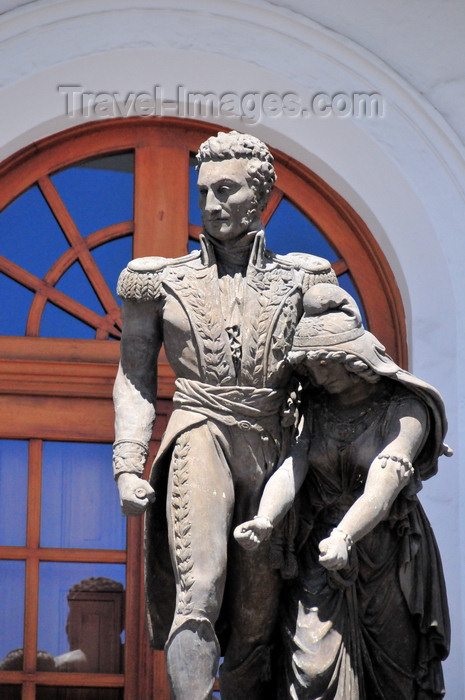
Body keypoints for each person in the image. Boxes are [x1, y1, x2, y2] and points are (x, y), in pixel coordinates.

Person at [112, 131, 337, 699]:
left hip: (273, 443)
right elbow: (135, 373)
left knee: (259, 618)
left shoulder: (304, 281)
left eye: (227, 190)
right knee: (201, 588)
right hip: (198, 429)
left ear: (259, 195)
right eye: (204, 192)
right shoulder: (157, 281)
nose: (211, 206)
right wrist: (126, 464)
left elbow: (344, 370)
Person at [235, 283, 451, 699]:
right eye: (309, 364)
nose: (314, 373)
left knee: (395, 676)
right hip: (320, 552)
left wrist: (346, 536)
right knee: (310, 669)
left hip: (386, 553)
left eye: (322, 363)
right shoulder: (314, 408)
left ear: (353, 360)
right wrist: (265, 518)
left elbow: (384, 484)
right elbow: (292, 467)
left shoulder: (407, 409)